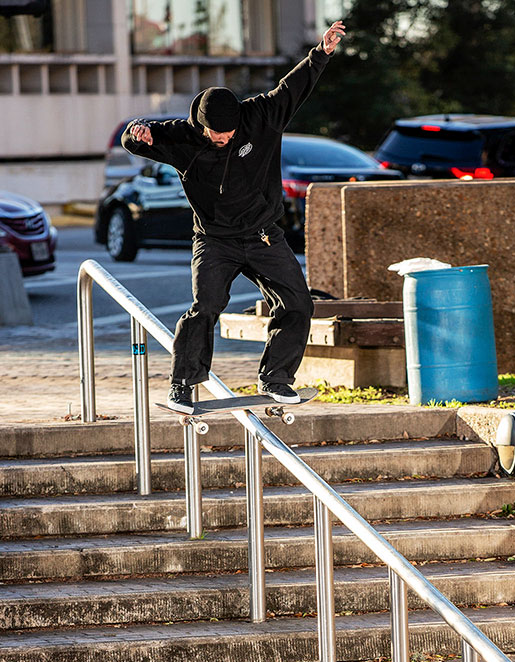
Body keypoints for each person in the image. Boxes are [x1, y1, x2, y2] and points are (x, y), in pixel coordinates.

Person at [121, 21, 346, 414]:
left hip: (262, 234)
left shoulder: (260, 116)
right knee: (205, 306)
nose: (222, 139)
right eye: (215, 135)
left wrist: (321, 53)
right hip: (214, 240)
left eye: (228, 134)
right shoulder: (185, 136)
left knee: (297, 303)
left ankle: (276, 377)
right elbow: (138, 137)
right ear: (201, 126)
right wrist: (134, 134)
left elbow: (292, 89)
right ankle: (183, 384)